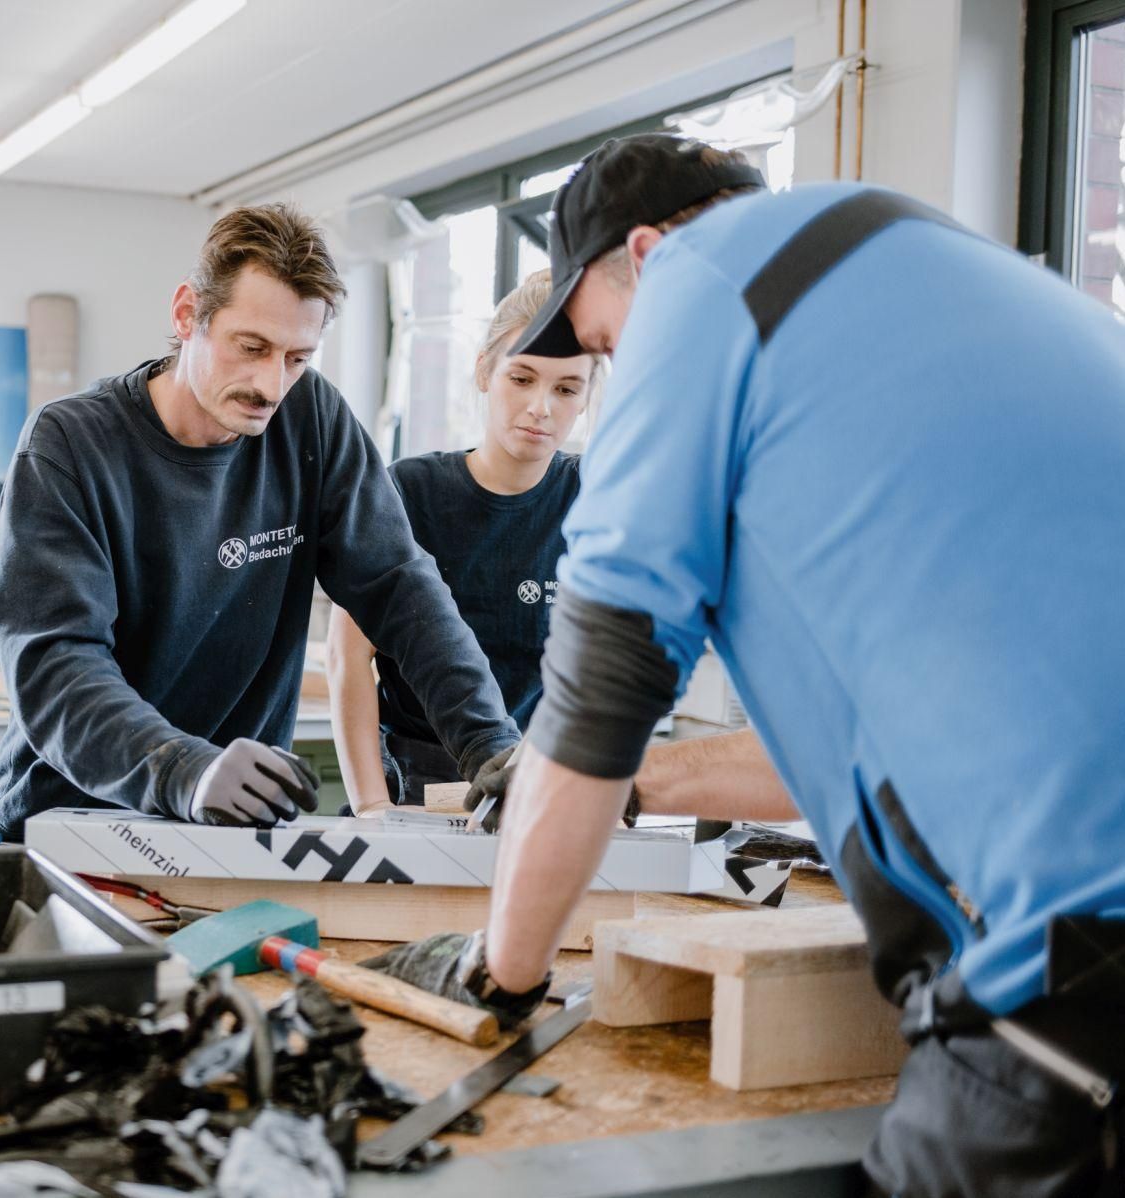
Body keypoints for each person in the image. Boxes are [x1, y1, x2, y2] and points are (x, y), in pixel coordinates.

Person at [455, 133, 1125, 1195]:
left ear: (644, 253)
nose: (614, 376)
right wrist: (651, 781)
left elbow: (595, 705)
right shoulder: (917, 252)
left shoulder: (696, 294)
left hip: (1078, 966)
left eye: (599, 343)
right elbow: (877, 744)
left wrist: (503, 974)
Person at [0, 203, 520, 843]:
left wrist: (491, 743)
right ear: (188, 315)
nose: (271, 384)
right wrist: (186, 770)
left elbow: (402, 590)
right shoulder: (70, 445)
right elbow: (56, 669)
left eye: (297, 357)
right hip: (70, 824)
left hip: (236, 835)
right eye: (252, 347)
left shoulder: (310, 418)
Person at [325, 270, 597, 816]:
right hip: (417, 785)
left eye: (566, 388)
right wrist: (372, 810)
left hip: (540, 784)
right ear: (483, 372)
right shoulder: (407, 491)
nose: (541, 407)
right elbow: (348, 659)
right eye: (522, 378)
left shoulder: (597, 498)